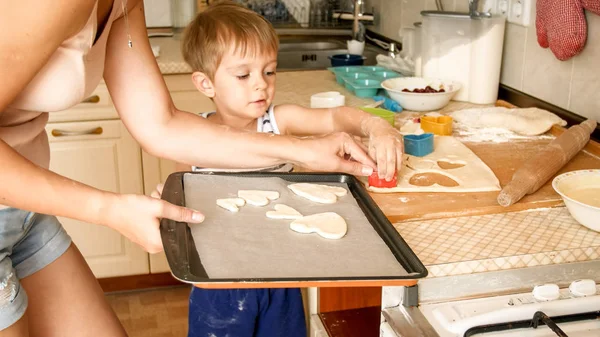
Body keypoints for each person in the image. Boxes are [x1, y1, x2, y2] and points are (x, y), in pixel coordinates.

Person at [0, 0, 380, 335]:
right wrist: (108, 209)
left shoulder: (124, 3)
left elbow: (160, 124)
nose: (260, 84)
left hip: (28, 215)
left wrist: (305, 149)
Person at [177, 2, 403, 336]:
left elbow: (335, 117)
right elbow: (181, 198)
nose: (261, 85)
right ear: (205, 83)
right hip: (219, 281)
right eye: (243, 75)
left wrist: (376, 126)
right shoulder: (191, 137)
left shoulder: (277, 121)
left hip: (282, 274)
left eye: (269, 71)